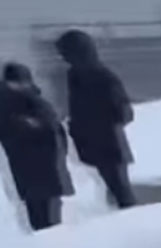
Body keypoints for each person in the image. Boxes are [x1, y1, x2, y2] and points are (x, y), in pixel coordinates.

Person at [55, 30, 137, 209]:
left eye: (65, 54)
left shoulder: (103, 76)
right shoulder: (75, 76)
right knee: (115, 187)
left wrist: (100, 122)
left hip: (109, 141)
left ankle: (131, 221)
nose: (63, 58)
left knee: (121, 189)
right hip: (94, 141)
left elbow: (124, 112)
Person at [0, 63, 74, 231]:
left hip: (40, 164)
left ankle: (48, 238)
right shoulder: (13, 105)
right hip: (35, 163)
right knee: (44, 211)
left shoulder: (28, 99)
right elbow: (43, 128)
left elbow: (51, 126)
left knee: (45, 208)